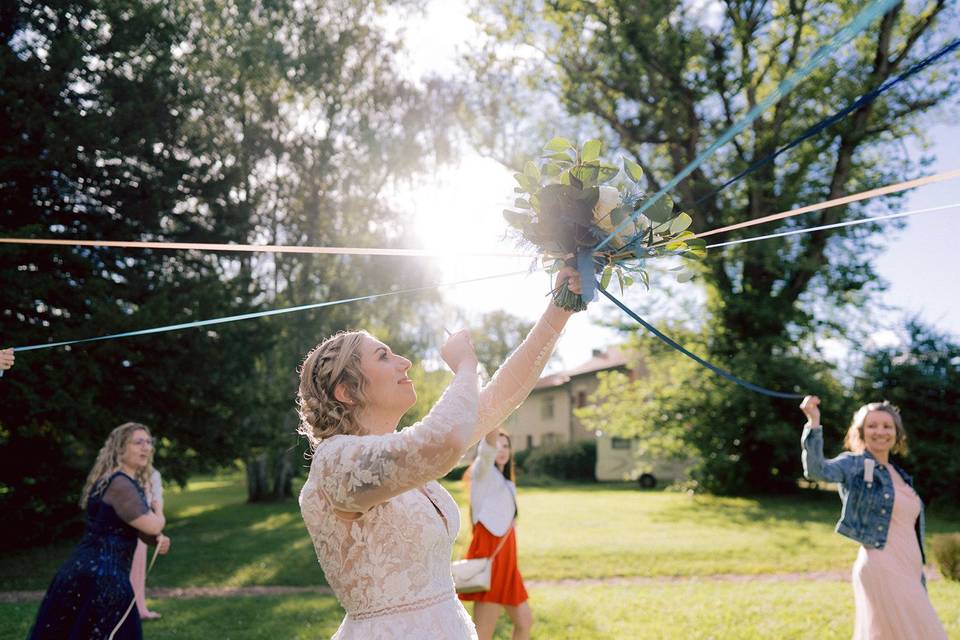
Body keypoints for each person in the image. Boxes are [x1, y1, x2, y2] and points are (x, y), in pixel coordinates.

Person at [297, 268, 582, 639]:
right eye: (384, 356)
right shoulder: (335, 463)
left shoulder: (399, 454)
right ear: (346, 392)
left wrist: (561, 306)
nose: (404, 362)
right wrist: (464, 366)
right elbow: (442, 442)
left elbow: (500, 398)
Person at [799, 395, 947, 640]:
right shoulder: (854, 465)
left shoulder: (900, 474)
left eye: (887, 426)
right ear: (861, 432)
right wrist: (813, 422)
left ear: (897, 434)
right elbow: (817, 470)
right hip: (882, 566)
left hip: (910, 569)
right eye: (872, 425)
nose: (880, 431)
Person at [28, 423, 171, 639]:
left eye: (148, 442)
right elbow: (153, 524)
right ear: (120, 448)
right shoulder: (120, 484)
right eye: (138, 442)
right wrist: (159, 510)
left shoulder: (122, 482)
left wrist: (155, 539)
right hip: (102, 579)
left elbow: (132, 529)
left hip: (88, 573)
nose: (146, 447)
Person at [459, 429, 531, 640]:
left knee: (525, 622)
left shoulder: (507, 482)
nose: (501, 450)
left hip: (508, 561)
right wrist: (494, 413)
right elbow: (487, 452)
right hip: (491, 558)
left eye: (506, 445)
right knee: (483, 635)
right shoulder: (482, 473)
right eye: (497, 445)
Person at [130, 468, 164, 620]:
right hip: (124, 527)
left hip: (142, 527)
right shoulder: (122, 474)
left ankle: (138, 607)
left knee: (138, 570)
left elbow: (156, 500)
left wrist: (157, 520)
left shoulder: (153, 474)